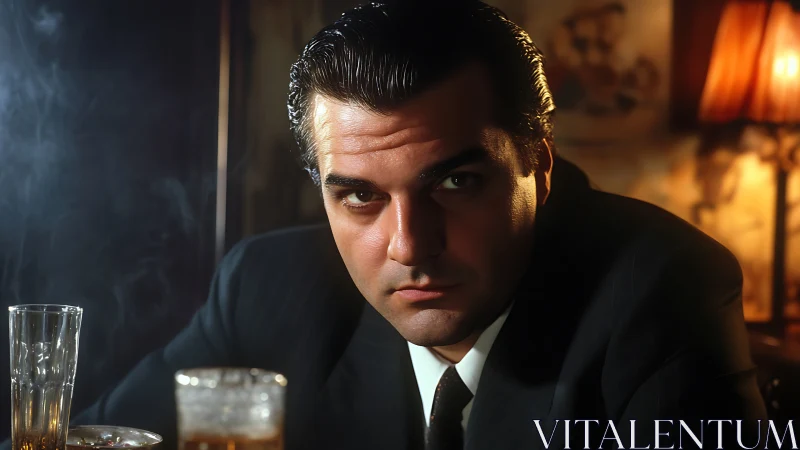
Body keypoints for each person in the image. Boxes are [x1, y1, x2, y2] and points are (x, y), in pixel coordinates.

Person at [16, 1, 767, 449]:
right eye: (360, 198)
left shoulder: (662, 291)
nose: (408, 245)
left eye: (455, 182)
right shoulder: (267, 289)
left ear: (538, 163)